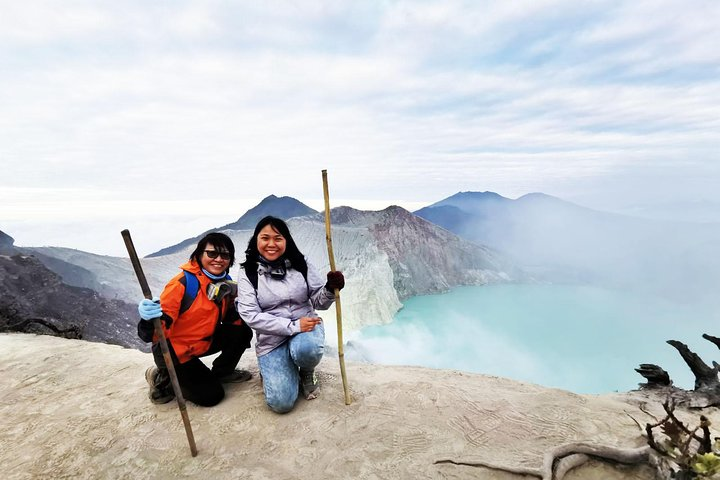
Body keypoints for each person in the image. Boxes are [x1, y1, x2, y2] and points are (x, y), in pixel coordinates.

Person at [235, 216, 344, 414]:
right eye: (265, 238)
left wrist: (330, 288)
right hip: (272, 339)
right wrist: (293, 326)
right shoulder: (248, 272)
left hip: (307, 329)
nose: (271, 244)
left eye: (278, 238)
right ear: (256, 240)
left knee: (307, 350)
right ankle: (274, 371)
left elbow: (319, 302)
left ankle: (307, 372)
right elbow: (251, 315)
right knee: (281, 403)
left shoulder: (301, 264)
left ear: (286, 241)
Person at [137, 232, 253, 407]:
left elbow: (230, 320)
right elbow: (155, 333)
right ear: (199, 255)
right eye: (212, 253)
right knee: (211, 396)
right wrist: (148, 320)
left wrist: (237, 308)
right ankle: (162, 378)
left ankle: (223, 372)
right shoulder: (182, 284)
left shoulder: (224, 282)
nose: (219, 259)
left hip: (201, 341)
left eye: (225, 255)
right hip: (174, 351)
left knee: (242, 331)